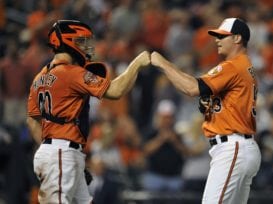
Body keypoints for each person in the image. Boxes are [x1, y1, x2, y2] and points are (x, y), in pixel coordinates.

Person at [26, 20, 150, 204]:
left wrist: (50, 148)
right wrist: (137, 64)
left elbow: (32, 120)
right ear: (68, 41)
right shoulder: (71, 72)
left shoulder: (40, 76)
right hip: (61, 152)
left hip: (59, 151)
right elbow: (115, 92)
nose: (86, 46)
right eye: (81, 41)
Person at [151, 18, 261, 204]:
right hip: (240, 146)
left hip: (232, 147)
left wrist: (163, 64)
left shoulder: (233, 66)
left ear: (237, 38)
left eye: (222, 36)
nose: (217, 40)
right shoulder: (244, 66)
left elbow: (193, 88)